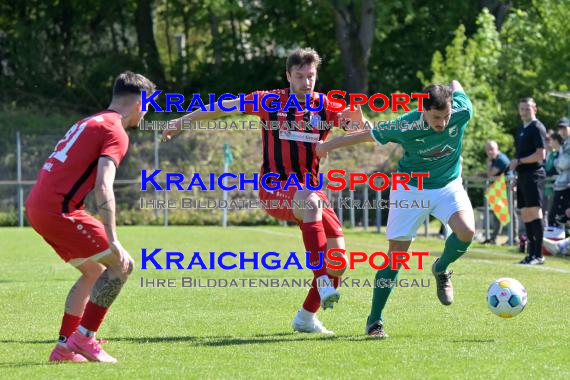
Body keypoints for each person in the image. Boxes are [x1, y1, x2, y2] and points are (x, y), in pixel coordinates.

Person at [163, 48, 357, 334]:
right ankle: (323, 282)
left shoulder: (325, 106)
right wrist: (182, 121)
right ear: (288, 76)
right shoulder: (270, 100)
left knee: (339, 261)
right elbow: (223, 106)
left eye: (311, 76)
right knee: (311, 203)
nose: (306, 82)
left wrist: (360, 123)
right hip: (275, 188)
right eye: (300, 76)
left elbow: (355, 128)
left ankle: (305, 317)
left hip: (311, 193)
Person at [317, 80, 475, 338]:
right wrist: (326, 146)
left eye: (446, 117)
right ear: (422, 109)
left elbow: (458, 87)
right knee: (396, 258)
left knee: (467, 231)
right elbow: (365, 136)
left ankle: (441, 268)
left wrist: (454, 86)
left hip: (448, 185)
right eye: (437, 117)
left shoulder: (462, 110)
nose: (443, 124)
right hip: (411, 189)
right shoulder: (405, 124)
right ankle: (374, 320)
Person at [26, 72, 156, 362]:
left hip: (38, 206)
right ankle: (84, 339)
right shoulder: (116, 131)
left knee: (94, 271)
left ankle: (64, 347)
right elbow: (103, 185)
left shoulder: (91, 121)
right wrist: (114, 240)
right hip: (58, 209)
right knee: (122, 266)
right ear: (140, 102)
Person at [509, 97, 548, 265]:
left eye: (527, 108)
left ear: (535, 109)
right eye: (522, 109)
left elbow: (541, 154)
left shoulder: (537, 127)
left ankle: (538, 254)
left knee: (534, 212)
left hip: (534, 175)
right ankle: (530, 254)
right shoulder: (520, 129)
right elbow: (520, 156)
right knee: (525, 214)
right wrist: (517, 177)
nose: (524, 112)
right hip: (523, 176)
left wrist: (519, 162)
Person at [483, 140, 511, 245]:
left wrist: (489, 162)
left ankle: (514, 238)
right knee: (497, 215)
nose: (489, 152)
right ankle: (493, 238)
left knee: (510, 213)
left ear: (497, 148)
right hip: (499, 189)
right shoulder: (496, 159)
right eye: (487, 150)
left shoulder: (500, 159)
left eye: (492, 149)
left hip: (507, 188)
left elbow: (490, 174)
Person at [548, 118, 570, 227]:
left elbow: (565, 163)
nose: (562, 131)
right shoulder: (565, 143)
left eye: (564, 128)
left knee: (559, 216)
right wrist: (559, 163)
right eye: (560, 129)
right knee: (557, 217)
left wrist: (558, 162)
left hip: (566, 185)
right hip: (562, 185)